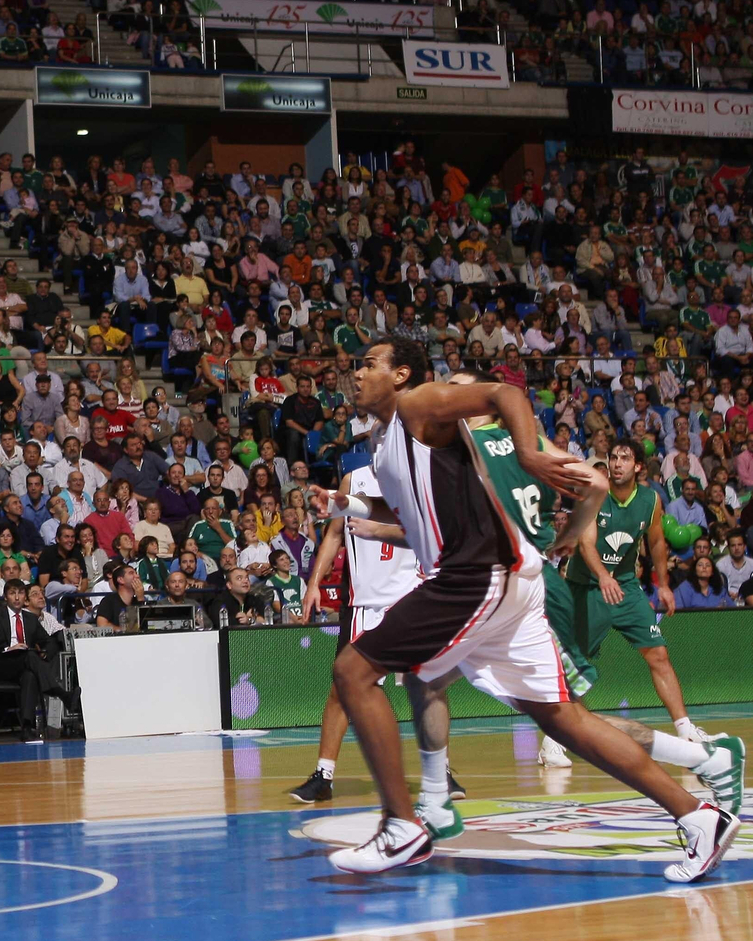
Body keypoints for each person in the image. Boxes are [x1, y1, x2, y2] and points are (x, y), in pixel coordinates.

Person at [313, 338, 739, 881]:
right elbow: (403, 510)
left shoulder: (419, 404)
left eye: (367, 364)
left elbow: (506, 392)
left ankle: (404, 824)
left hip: (477, 575)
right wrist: (345, 504)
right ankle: (699, 815)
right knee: (564, 721)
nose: (356, 373)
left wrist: (533, 452)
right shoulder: (387, 440)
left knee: (354, 669)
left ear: (401, 375)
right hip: (506, 581)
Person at [547, 437, 737, 768]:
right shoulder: (596, 493)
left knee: (658, 653)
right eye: (612, 457)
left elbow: (657, 541)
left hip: (626, 587)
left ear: (637, 466)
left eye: (623, 458)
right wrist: (602, 576)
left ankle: (686, 730)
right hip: (587, 588)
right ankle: (552, 740)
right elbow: (586, 543)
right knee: (575, 668)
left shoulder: (650, 500)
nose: (616, 463)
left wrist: (663, 584)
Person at [291, 466, 459, 807]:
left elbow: (428, 532)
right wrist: (313, 584)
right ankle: (323, 775)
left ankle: (440, 770)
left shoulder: (421, 477)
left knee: (430, 686)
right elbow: (335, 535)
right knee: (342, 689)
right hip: (365, 602)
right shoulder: (355, 479)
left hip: (411, 597)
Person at [0, 579, 80, 743]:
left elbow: (49, 641)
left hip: (24, 664)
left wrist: (46, 654)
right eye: (12, 593)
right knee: (29, 656)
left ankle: (26, 728)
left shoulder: (30, 619)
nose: (17, 598)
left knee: (30, 675)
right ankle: (62, 694)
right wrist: (8, 648)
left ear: (25, 597)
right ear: (5, 597)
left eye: (20, 593)